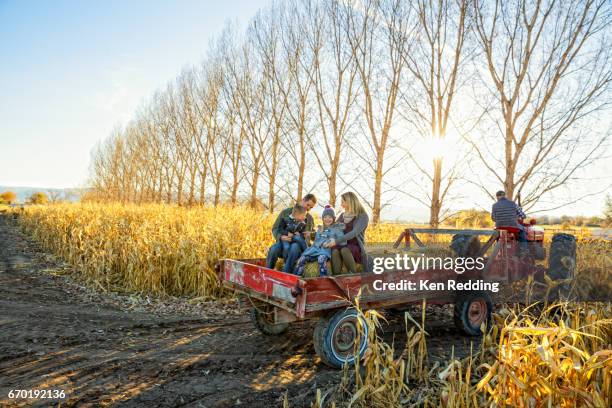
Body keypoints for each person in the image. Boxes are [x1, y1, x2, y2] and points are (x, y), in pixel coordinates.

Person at [265, 193, 317, 274]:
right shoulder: (286, 212)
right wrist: (281, 237)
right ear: (303, 200)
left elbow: (313, 234)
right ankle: (267, 273)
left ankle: (286, 273)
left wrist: (314, 234)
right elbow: (275, 228)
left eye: (311, 207)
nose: (308, 208)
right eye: (308, 205)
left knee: (294, 247)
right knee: (274, 249)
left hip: (299, 246)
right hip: (284, 241)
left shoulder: (309, 218)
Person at [324, 192, 369, 275]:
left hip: (354, 245)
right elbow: (333, 229)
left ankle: (353, 274)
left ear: (349, 202)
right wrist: (318, 233)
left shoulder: (362, 216)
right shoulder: (342, 215)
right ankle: (336, 276)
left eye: (342, 202)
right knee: (335, 251)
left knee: (344, 250)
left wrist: (336, 241)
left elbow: (354, 233)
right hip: (341, 243)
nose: (341, 205)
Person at [294, 205, 344, 277]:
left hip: (324, 250)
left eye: (330, 217)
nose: (327, 219)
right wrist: (310, 235)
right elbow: (317, 237)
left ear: (334, 218)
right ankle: (297, 275)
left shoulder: (336, 229)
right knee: (303, 258)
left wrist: (334, 240)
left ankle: (323, 276)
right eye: (325, 217)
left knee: (321, 259)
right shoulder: (320, 228)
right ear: (323, 218)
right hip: (314, 250)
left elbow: (342, 239)